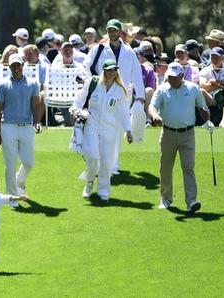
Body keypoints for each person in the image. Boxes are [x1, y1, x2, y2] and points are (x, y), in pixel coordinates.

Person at [148, 62, 213, 214]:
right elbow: (152, 106)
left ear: (182, 75)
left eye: (175, 77)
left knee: (188, 167)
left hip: (187, 134)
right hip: (168, 133)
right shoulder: (162, 89)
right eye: (170, 77)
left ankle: (191, 201)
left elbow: (203, 108)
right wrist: (155, 115)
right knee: (165, 167)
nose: (172, 80)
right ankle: (165, 199)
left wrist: (206, 117)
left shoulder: (193, 88)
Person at [83, 18, 145, 175]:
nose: (112, 33)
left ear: (120, 32)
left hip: (122, 94)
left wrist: (141, 96)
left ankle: (113, 166)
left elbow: (136, 75)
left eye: (115, 30)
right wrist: (91, 83)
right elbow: (86, 67)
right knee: (99, 129)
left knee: (116, 130)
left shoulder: (129, 52)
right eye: (109, 30)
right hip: (101, 93)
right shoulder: (98, 49)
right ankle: (98, 162)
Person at [70, 59, 133, 201]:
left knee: (106, 161)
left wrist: (128, 131)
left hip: (109, 127)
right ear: (104, 71)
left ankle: (103, 191)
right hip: (91, 123)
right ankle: (90, 181)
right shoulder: (93, 83)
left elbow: (124, 111)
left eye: (114, 70)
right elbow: (79, 99)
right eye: (109, 70)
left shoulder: (120, 90)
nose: (111, 73)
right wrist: (75, 110)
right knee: (92, 155)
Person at [0, 54, 42, 197]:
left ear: (22, 66)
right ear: (9, 67)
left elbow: (35, 105)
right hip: (8, 126)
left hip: (26, 126)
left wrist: (37, 121)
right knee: (10, 163)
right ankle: (12, 196)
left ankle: (19, 181)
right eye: (13, 65)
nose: (16, 67)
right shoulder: (3, 84)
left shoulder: (33, 84)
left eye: (18, 65)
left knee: (29, 163)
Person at [199, 47, 224, 124]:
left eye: (216, 56)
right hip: (211, 98)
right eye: (212, 56)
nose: (214, 59)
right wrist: (218, 84)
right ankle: (207, 121)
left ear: (223, 58)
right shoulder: (205, 70)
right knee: (200, 92)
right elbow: (202, 86)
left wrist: (213, 82)